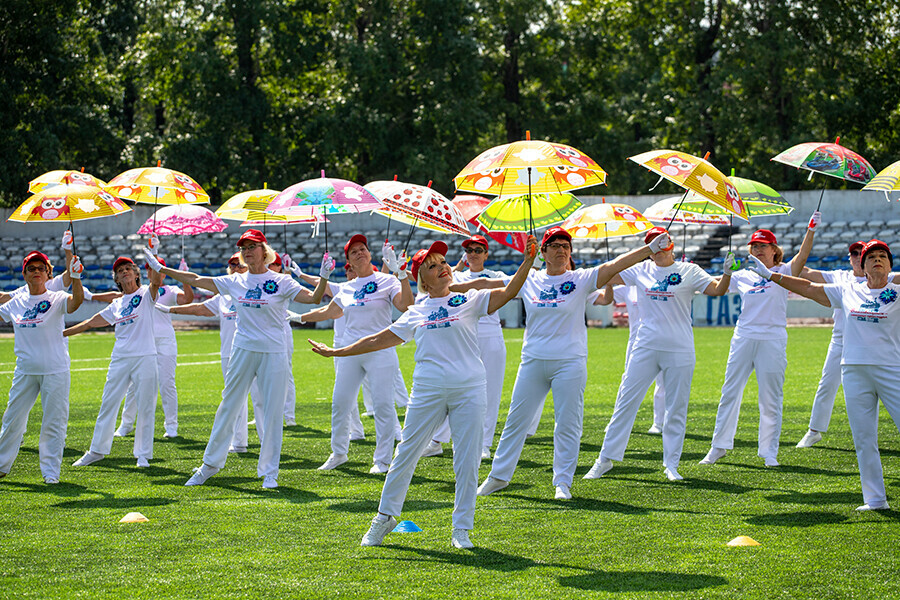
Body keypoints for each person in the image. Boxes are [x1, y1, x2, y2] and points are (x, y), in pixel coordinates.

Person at [309, 236, 537, 549]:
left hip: (470, 388)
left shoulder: (470, 299)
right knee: (405, 455)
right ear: (423, 281)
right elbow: (378, 339)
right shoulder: (417, 310)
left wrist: (527, 261)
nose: (443, 267)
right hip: (428, 390)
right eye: (433, 266)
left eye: (443, 262)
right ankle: (385, 516)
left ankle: (461, 528)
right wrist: (338, 352)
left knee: (467, 460)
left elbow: (510, 291)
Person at [477, 226, 673, 501]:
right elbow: (498, 288)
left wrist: (649, 249)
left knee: (567, 424)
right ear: (542, 252)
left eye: (565, 246)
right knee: (515, 422)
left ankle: (563, 482)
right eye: (554, 245)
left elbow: (614, 265)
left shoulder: (581, 279)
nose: (561, 250)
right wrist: (525, 261)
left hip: (569, 362)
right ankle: (498, 476)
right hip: (533, 361)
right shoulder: (531, 279)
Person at [144, 229, 331, 489]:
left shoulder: (281, 281)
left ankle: (269, 472)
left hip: (273, 351)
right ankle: (209, 465)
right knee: (229, 405)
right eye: (243, 247)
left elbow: (313, 298)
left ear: (264, 251)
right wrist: (162, 267)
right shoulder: (235, 281)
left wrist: (323, 277)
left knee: (272, 411)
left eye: (252, 246)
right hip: (243, 349)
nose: (247, 251)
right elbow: (197, 279)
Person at [747, 240, 900, 511]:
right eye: (871, 257)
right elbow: (808, 287)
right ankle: (875, 499)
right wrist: (771, 275)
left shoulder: (897, 291)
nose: (877, 260)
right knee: (864, 440)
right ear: (861, 267)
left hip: (892, 371)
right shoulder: (848, 290)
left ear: (890, 265)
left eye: (883, 256)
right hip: (854, 371)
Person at [582, 226, 732, 482]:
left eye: (663, 241)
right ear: (649, 249)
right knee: (625, 402)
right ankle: (604, 459)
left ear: (672, 244)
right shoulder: (640, 270)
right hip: (646, 345)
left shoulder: (689, 270)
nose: (660, 245)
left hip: (680, 347)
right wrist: (639, 255)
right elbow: (606, 275)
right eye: (653, 243)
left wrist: (727, 274)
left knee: (676, 408)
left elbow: (718, 290)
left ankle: (671, 465)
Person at [699, 212, 818, 468]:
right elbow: (716, 289)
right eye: (754, 246)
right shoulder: (743, 275)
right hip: (743, 337)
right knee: (730, 392)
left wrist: (811, 229)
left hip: (772, 339)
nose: (758, 249)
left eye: (763, 246)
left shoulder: (784, 272)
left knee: (770, 397)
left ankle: (768, 451)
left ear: (775, 250)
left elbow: (803, 258)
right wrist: (728, 273)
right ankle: (718, 447)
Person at [294, 234, 413, 474]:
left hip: (380, 349)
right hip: (350, 350)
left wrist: (401, 275)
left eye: (363, 249)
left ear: (370, 254)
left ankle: (382, 460)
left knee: (382, 405)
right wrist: (298, 317)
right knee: (341, 402)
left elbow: (405, 305)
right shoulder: (347, 287)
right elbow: (330, 311)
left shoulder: (387, 281)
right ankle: (338, 453)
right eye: (354, 251)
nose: (360, 252)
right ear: (348, 260)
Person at [65, 256, 160, 468]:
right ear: (116, 278)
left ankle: (143, 455)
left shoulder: (146, 294)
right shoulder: (117, 303)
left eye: (128, 268)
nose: (124, 272)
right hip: (120, 359)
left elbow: (156, 282)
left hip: (145, 356)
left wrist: (154, 255)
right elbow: (90, 322)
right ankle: (97, 450)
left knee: (145, 407)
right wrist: (61, 333)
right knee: (108, 404)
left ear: (137, 274)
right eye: (120, 271)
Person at [422, 235, 511, 460]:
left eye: (478, 250)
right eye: (469, 250)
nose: (473, 254)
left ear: (486, 254)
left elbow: (512, 285)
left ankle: (484, 444)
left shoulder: (496, 275)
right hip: (462, 336)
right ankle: (436, 440)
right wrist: (459, 269)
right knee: (453, 390)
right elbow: (439, 285)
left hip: (490, 335)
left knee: (489, 392)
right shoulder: (455, 274)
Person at [0, 252, 83, 483]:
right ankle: (1, 465)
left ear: (48, 273)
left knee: (53, 422)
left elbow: (75, 303)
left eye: (41, 268)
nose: (36, 271)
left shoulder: (57, 297)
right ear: (24, 274)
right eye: (31, 268)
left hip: (55, 369)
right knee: (12, 419)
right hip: (25, 370)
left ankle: (50, 473)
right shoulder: (15, 302)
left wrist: (76, 277)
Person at [165, 252, 261, 453]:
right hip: (229, 353)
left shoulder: (257, 289)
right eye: (232, 265)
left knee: (261, 399)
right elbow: (200, 309)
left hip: (255, 349)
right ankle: (239, 442)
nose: (235, 267)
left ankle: (268, 442)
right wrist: (170, 310)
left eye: (240, 264)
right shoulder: (223, 296)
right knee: (234, 399)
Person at [114, 240, 194, 439]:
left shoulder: (170, 291)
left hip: (165, 342)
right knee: (134, 384)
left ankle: (171, 426)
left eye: (155, 269)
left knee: (167, 383)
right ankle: (126, 424)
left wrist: (185, 277)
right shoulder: (140, 293)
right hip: (144, 342)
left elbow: (188, 300)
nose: (152, 272)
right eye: (148, 268)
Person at [795, 240, 868, 448]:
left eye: (862, 252)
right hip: (840, 340)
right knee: (826, 385)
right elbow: (805, 272)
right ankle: (814, 430)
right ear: (849, 258)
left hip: (869, 343)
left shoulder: (881, 278)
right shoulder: (840, 276)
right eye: (854, 253)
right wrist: (775, 259)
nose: (857, 256)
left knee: (880, 388)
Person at [595, 283, 665, 434]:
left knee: (663, 381)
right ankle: (618, 422)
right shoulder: (628, 286)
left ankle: (659, 423)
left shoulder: (661, 282)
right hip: (636, 341)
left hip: (663, 338)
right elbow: (605, 293)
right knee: (628, 381)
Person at [267, 253, 299, 427]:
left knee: (285, 372)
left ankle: (289, 415)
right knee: (263, 375)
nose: (269, 266)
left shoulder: (282, 281)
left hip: (281, 329)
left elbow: (288, 288)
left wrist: (288, 271)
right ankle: (265, 412)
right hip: (264, 330)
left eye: (273, 264)